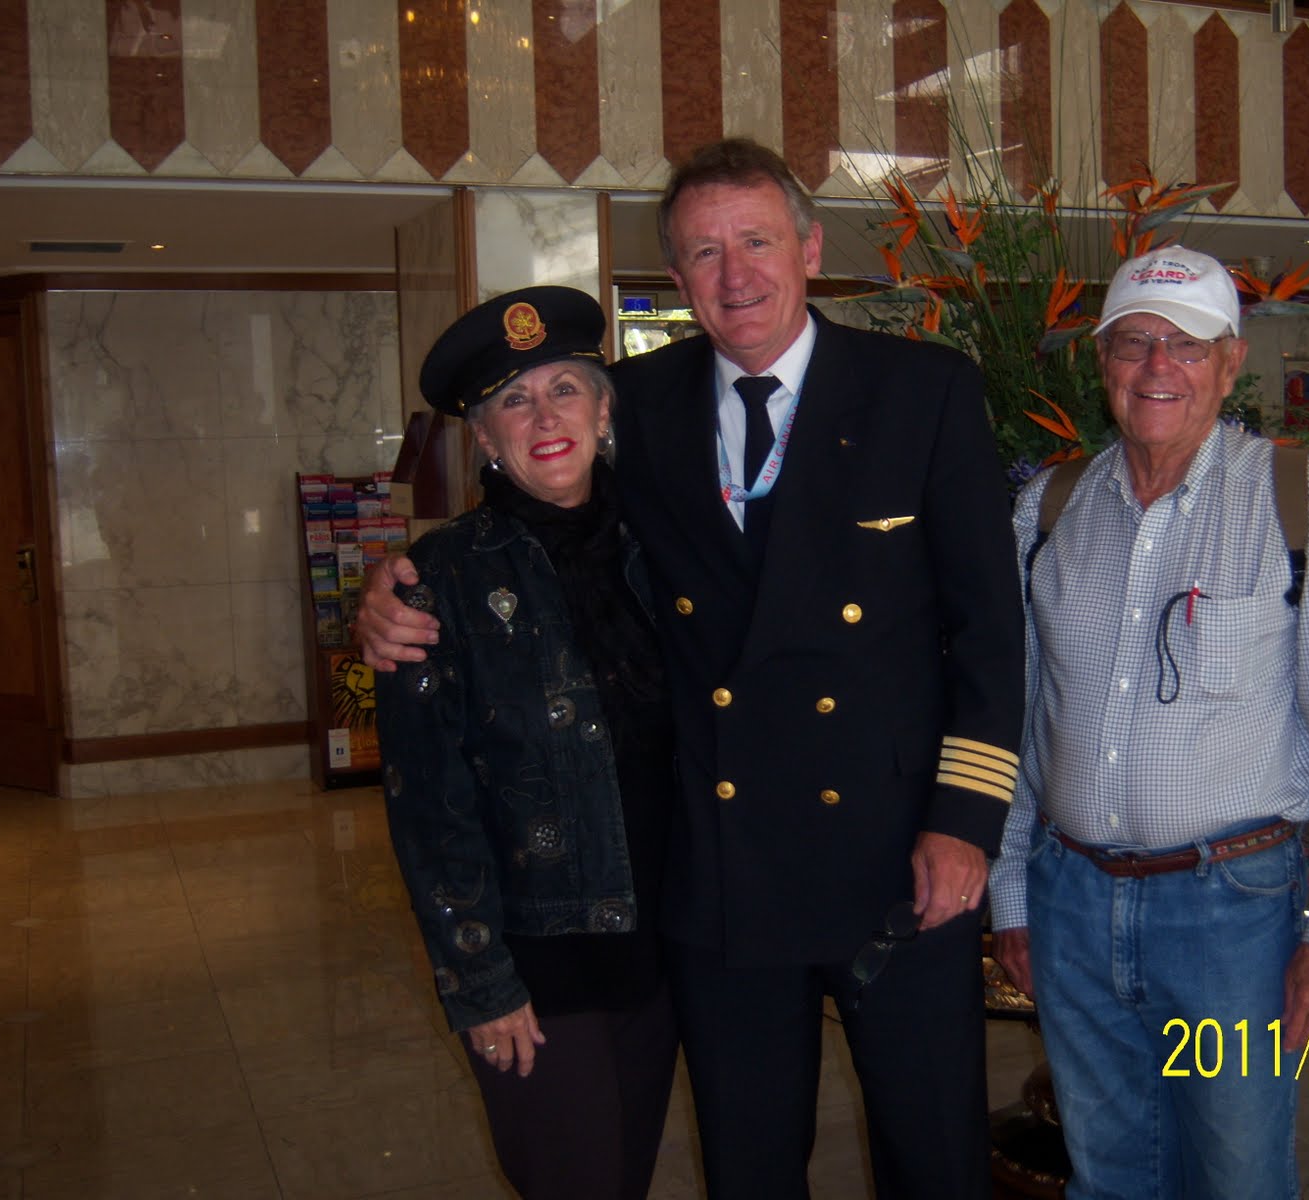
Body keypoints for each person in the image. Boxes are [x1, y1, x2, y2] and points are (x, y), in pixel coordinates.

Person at [359, 138, 1023, 1200]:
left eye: (756, 241)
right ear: (675, 277)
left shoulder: (922, 390)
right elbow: (542, 515)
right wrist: (398, 587)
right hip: (722, 871)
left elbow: (990, 631)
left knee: (935, 1155)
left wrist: (965, 822)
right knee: (750, 1165)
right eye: (704, 253)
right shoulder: (640, 401)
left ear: (809, 248)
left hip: (898, 853)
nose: (735, 274)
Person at [989, 248, 1309, 1200]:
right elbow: (1017, 719)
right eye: (1134, 341)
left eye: (1187, 345)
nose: (1157, 366)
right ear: (1102, 359)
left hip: (1231, 917)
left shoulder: (1296, 501)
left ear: (1229, 364)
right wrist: (1012, 889)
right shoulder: (1049, 509)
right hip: (1070, 903)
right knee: (1107, 1174)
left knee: (1237, 1176)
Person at [375, 285, 677, 1200]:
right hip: (540, 965)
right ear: (484, 436)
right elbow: (429, 806)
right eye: (515, 400)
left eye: (564, 389)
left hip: (667, 945)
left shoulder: (670, 543)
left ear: (603, 410)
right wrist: (479, 979)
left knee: (625, 1172)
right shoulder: (437, 581)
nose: (545, 418)